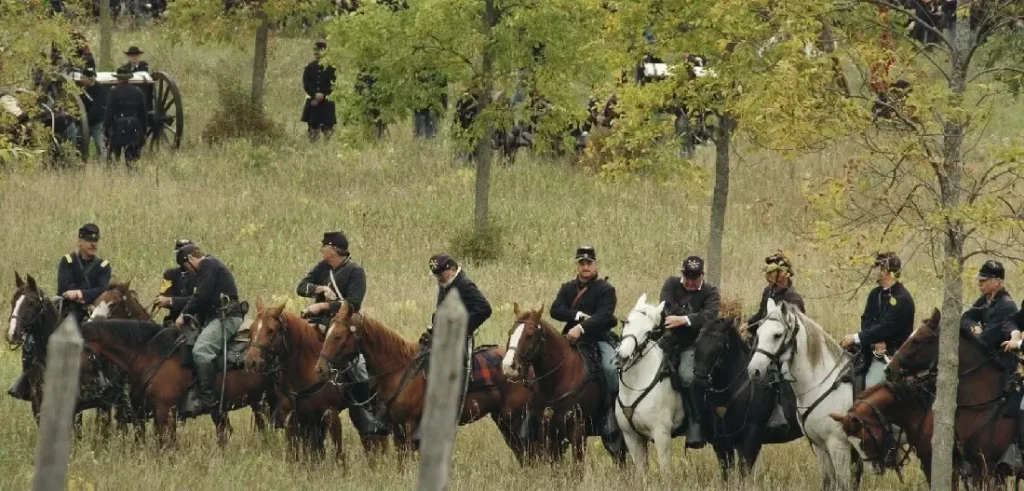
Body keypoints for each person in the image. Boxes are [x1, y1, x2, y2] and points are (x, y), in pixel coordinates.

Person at [295, 231, 388, 436]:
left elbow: (352, 304)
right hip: (318, 324)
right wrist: (319, 288)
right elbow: (300, 287)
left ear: (334, 250)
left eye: (324, 246)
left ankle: (367, 413)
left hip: (343, 326)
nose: (321, 249)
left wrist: (322, 307)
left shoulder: (355, 271)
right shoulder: (323, 268)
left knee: (359, 369)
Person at [8, 223, 112, 401]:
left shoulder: (103, 266)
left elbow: (101, 289)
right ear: (80, 241)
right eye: (88, 240)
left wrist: (79, 294)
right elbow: (64, 287)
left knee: (99, 344)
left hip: (90, 311)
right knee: (32, 341)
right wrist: (82, 294)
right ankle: (26, 379)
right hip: (66, 310)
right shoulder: (68, 261)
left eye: (95, 241)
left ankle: (101, 380)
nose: (93, 244)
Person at [549, 246, 621, 445]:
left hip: (597, 338)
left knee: (610, 368)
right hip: (571, 339)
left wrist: (581, 327)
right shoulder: (568, 288)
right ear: (577, 266)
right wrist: (577, 316)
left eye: (589, 263)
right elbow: (555, 310)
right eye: (582, 263)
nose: (585, 266)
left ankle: (611, 413)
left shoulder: (606, 289)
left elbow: (604, 316)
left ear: (595, 264)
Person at [175, 243, 248, 418]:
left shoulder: (207, 264)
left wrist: (184, 313)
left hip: (226, 317)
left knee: (201, 351)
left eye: (185, 266)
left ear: (191, 259)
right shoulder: (211, 266)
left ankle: (207, 399)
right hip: (214, 317)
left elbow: (202, 295)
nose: (188, 270)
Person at [660, 255, 720, 448]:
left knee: (687, 376)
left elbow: (710, 317)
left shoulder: (710, 292)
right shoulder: (670, 284)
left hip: (692, 344)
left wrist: (683, 320)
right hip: (666, 340)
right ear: (682, 274)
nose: (691, 281)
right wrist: (694, 318)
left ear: (702, 275)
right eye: (688, 277)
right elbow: (666, 309)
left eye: (695, 278)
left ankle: (695, 421)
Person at [840, 252, 915, 395]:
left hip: (894, 354)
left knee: (873, 389)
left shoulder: (903, 299)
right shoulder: (875, 294)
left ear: (885, 271)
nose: (873, 271)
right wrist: (874, 342)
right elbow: (866, 320)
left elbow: (887, 328)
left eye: (876, 267)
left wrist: (856, 338)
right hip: (871, 347)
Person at [963, 260, 1018, 370]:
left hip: (1002, 365)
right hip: (987, 357)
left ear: (997, 282)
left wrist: (973, 334)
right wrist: (974, 327)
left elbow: (985, 340)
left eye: (984, 280)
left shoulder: (1007, 307)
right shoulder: (986, 298)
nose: (979, 283)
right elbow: (965, 318)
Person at [746, 251, 806, 338]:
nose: (767, 277)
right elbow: (761, 315)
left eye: (770, 273)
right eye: (767, 273)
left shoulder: (793, 299)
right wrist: (748, 324)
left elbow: (793, 333)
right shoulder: (768, 291)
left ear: (783, 273)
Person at [103, 66, 147, 165]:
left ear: (118, 78)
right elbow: (143, 113)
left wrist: (105, 129)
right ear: (128, 78)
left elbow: (109, 112)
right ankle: (132, 176)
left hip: (119, 125)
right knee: (133, 159)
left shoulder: (114, 91)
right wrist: (143, 130)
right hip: (134, 125)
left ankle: (114, 173)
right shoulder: (138, 91)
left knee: (114, 157)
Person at [154, 239, 198, 327]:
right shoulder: (169, 274)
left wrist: (172, 301)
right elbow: (163, 296)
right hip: (174, 319)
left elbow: (197, 299)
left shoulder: (200, 274)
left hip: (195, 320)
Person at [300, 41, 337, 142]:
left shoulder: (331, 68)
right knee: (312, 131)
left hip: (326, 103)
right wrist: (314, 94)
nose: (316, 52)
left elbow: (333, 84)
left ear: (325, 51)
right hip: (313, 102)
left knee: (328, 132)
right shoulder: (309, 67)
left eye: (319, 50)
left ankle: (327, 151)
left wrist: (323, 95)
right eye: (315, 50)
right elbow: (306, 84)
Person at [80, 68, 107, 160]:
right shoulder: (83, 89)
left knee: (100, 146)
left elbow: (97, 108)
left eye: (83, 77)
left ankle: (104, 167)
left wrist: (86, 119)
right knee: (82, 146)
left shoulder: (100, 89)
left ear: (90, 78)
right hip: (84, 122)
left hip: (97, 122)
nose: (82, 80)